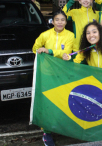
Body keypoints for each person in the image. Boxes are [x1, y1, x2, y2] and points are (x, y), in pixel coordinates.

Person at [32, 10, 74, 146]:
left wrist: (49, 51)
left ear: (66, 22)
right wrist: (40, 51)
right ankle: (47, 132)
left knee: (62, 100)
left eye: (63, 20)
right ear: (52, 21)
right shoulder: (45, 35)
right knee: (48, 103)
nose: (60, 22)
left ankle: (62, 127)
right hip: (47, 74)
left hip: (63, 74)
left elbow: (67, 53)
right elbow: (35, 48)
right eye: (57, 20)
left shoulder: (70, 35)